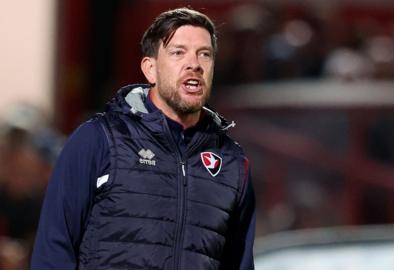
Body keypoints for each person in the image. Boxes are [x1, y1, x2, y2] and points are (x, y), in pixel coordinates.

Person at [30, 7, 255, 270]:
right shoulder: (98, 140)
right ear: (150, 69)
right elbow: (53, 250)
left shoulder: (231, 163)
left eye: (204, 54)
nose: (194, 64)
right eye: (178, 52)